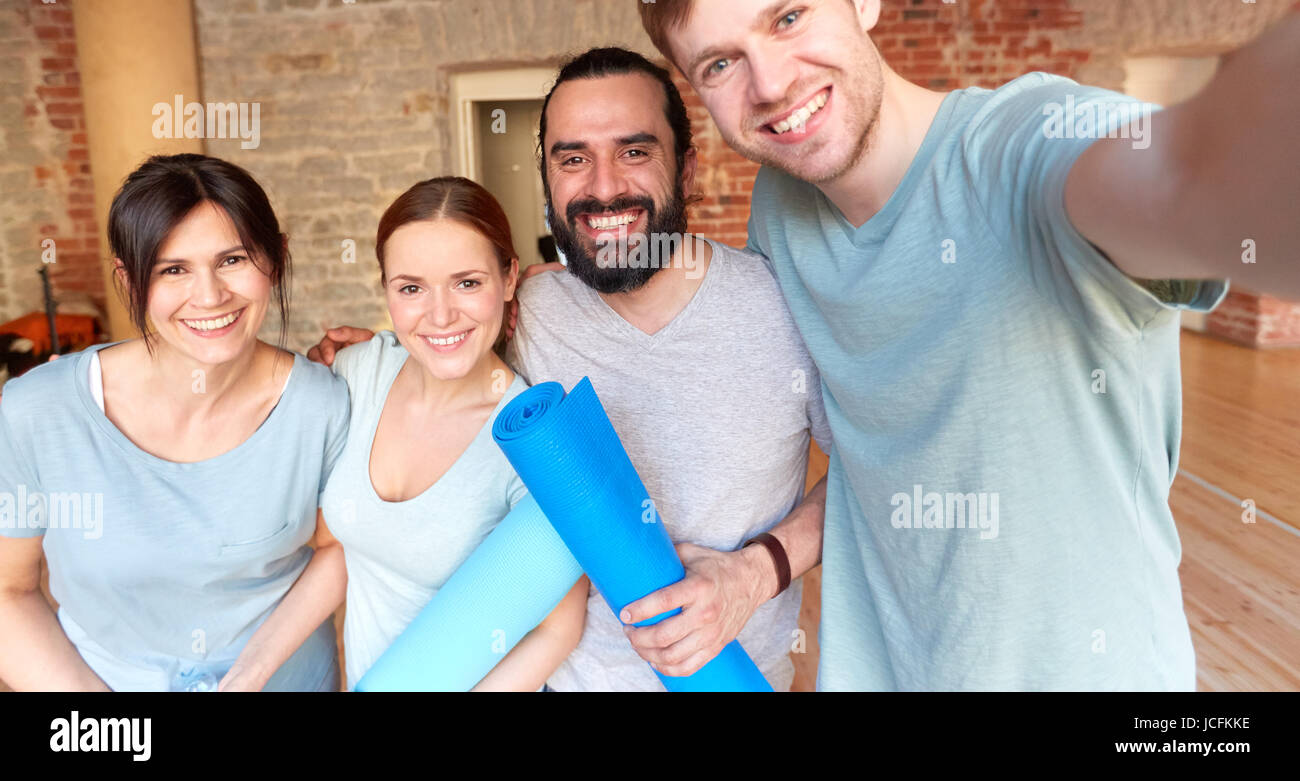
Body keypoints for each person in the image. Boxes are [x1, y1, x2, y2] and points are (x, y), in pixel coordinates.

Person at [632, 0, 1300, 689]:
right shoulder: (781, 209)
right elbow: (877, 462)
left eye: (789, 16)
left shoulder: (1023, 149)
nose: (769, 84)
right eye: (721, 62)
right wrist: (753, 571)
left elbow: (1186, 178)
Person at [312, 48, 832, 691]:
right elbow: (446, 330)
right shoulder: (529, 307)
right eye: (574, 158)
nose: (605, 186)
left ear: (688, 167)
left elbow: (875, 480)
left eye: (635, 151)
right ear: (548, 181)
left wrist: (757, 573)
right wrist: (375, 354)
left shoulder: (788, 310)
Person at [0, 153, 347, 691]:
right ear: (129, 279)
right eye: (172, 269)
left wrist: (250, 676)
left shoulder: (323, 404)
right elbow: (8, 592)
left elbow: (339, 547)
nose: (209, 296)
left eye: (233, 260)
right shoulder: (35, 412)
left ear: (275, 258)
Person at [311, 177, 587, 691]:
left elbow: (558, 630)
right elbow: (334, 546)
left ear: (508, 279)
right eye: (412, 288)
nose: (440, 315)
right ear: (387, 289)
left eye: (467, 283)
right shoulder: (355, 372)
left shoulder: (529, 441)